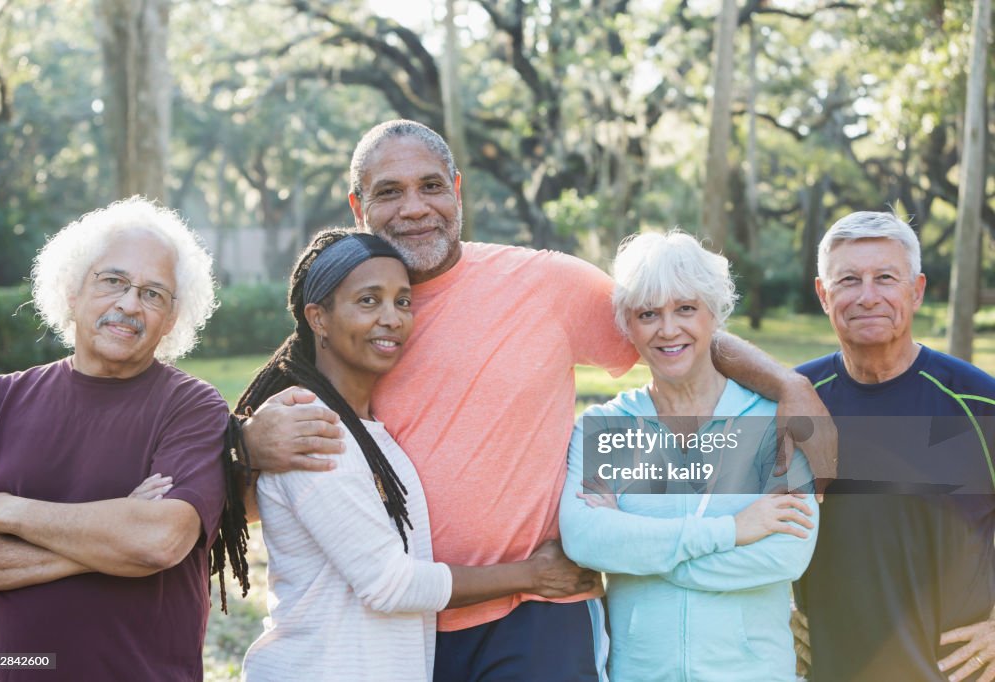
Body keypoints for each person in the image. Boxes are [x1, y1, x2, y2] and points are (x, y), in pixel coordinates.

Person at [240, 119, 835, 681]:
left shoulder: (545, 283)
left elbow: (667, 315)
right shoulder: (344, 324)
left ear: (457, 190)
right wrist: (245, 443)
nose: (414, 207)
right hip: (399, 629)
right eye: (389, 191)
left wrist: (786, 383)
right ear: (358, 207)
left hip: (536, 610)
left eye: (430, 186)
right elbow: (250, 504)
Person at [238, 228, 598, 681]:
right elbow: (390, 583)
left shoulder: (369, 431)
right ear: (319, 318)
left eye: (403, 302)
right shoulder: (311, 427)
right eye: (368, 301)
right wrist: (532, 575)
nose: (391, 317)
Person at [0, 197, 245, 682]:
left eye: (154, 293)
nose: (129, 304)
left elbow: (157, 542)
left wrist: (6, 511)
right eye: (113, 281)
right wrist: (112, 537)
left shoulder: (194, 407)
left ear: (172, 319)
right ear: (73, 291)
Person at [559, 230, 818, 682]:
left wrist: (640, 553)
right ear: (627, 325)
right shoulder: (605, 427)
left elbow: (786, 555)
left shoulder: (772, 423)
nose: (668, 328)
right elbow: (585, 540)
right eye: (648, 313)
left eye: (685, 308)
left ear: (714, 313)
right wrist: (732, 530)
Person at [792, 211, 995, 682]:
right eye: (848, 280)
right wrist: (772, 606)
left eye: (885, 278)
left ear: (916, 290)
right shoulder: (795, 399)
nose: (867, 296)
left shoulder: (978, 403)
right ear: (823, 295)